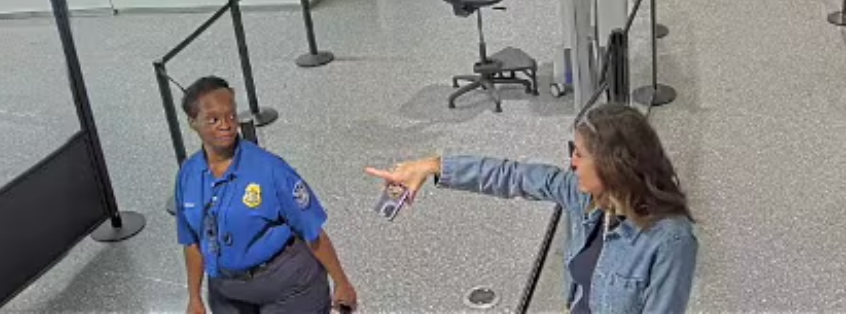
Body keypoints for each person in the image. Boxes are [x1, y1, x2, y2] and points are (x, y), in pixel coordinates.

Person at [365, 103, 698, 314]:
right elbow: (511, 175)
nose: (572, 162)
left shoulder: (670, 240)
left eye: (580, 155)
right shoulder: (584, 198)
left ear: (613, 165)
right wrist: (432, 166)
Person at [175, 76, 357, 314]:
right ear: (193, 122)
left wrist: (341, 282)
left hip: (287, 286)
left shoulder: (270, 169)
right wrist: (194, 297)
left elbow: (312, 231)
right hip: (227, 291)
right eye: (213, 120)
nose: (226, 125)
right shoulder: (188, 175)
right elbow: (192, 242)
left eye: (231, 116)